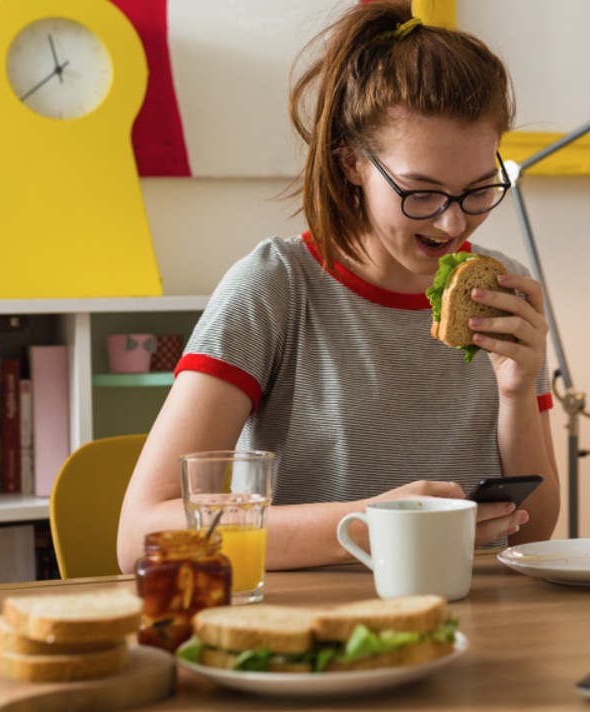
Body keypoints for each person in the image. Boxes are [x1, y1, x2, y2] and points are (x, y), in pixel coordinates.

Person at [116, 0, 560, 573]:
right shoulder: (275, 289)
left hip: (466, 621)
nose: (453, 224)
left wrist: (517, 393)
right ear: (351, 161)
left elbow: (538, 532)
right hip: (312, 633)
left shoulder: (500, 294)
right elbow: (141, 534)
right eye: (420, 192)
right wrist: (373, 525)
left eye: (478, 189)